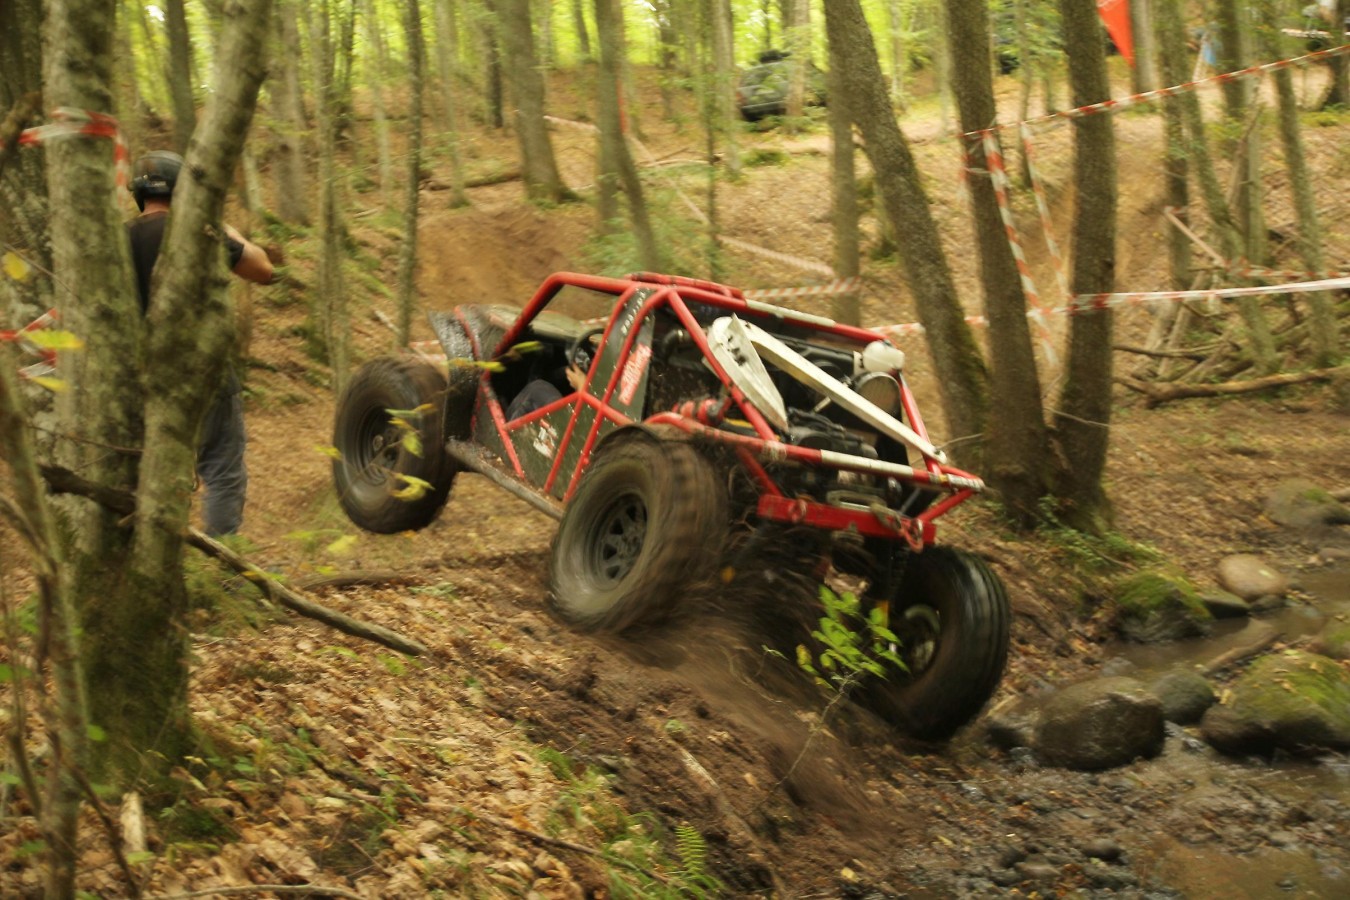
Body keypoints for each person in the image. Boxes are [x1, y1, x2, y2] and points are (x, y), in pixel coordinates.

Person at [127, 150, 274, 535]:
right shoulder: (199, 233)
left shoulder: (115, 242)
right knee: (222, 468)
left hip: (139, 379)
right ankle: (222, 559)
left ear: (139, 193)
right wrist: (221, 225)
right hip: (204, 371)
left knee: (144, 473)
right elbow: (263, 268)